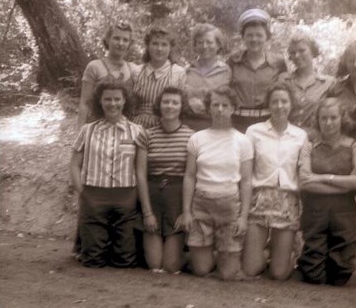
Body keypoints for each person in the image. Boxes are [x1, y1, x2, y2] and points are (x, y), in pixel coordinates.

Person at [70, 81, 152, 268]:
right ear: (100, 101)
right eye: (108, 99)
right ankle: (93, 246)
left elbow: (140, 172)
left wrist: (141, 203)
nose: (112, 103)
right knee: (92, 260)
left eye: (117, 99)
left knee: (125, 260)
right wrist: (83, 193)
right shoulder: (87, 130)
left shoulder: (138, 132)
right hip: (93, 195)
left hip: (125, 198)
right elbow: (74, 165)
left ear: (124, 101)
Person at [182, 86, 253, 280]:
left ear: (233, 108)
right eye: (215, 104)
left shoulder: (243, 140)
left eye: (225, 105)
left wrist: (243, 217)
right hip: (201, 203)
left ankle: (226, 254)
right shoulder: (197, 138)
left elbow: (246, 181)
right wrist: (187, 212)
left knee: (228, 274)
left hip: (229, 205)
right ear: (209, 108)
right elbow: (189, 176)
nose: (220, 109)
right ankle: (210, 252)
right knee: (201, 271)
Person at [298, 97, 356, 285]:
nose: (328, 123)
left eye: (333, 118)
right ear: (318, 120)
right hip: (315, 213)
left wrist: (321, 178)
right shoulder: (310, 146)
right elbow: (304, 183)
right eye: (324, 118)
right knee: (313, 276)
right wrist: (345, 185)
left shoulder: (354, 146)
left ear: (342, 118)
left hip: (344, 215)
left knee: (340, 275)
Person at [243, 84, 308, 280]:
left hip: (287, 201)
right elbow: (246, 172)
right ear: (268, 105)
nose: (280, 106)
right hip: (259, 199)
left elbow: (302, 172)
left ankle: (286, 253)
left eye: (284, 101)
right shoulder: (254, 131)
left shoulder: (300, 135)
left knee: (279, 274)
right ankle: (266, 252)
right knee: (250, 270)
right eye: (275, 101)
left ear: (291, 105)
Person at [143, 87, 194, 273]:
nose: (170, 106)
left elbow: (191, 176)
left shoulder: (191, 136)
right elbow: (141, 174)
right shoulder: (147, 134)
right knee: (155, 265)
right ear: (159, 105)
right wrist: (147, 212)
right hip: (153, 195)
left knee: (171, 266)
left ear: (182, 106)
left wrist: (186, 210)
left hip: (177, 197)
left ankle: (192, 256)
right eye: (166, 102)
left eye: (175, 102)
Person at [228, 8, 286, 132]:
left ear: (267, 37)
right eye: (249, 35)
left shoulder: (278, 63)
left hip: (267, 122)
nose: (254, 39)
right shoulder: (233, 61)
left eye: (259, 35)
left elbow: (284, 93)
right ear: (243, 37)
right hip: (237, 122)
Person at [77, 22, 139, 127]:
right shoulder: (94, 67)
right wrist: (80, 132)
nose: (120, 43)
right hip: (98, 127)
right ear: (107, 40)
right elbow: (85, 102)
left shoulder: (133, 69)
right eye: (116, 38)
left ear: (129, 43)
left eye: (125, 40)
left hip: (124, 128)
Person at [279, 30, 335, 137]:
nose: (297, 55)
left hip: (316, 141)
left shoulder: (328, 83)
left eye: (302, 50)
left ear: (313, 52)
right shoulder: (284, 80)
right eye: (293, 52)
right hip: (288, 140)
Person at [132, 22, 186, 128]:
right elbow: (130, 105)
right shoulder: (136, 71)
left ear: (170, 48)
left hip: (166, 126)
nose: (159, 49)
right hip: (137, 125)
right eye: (155, 43)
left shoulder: (178, 72)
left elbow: (181, 106)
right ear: (148, 46)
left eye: (164, 44)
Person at [183, 23, 231, 131]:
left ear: (218, 45)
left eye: (209, 42)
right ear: (195, 45)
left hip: (215, 125)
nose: (204, 46)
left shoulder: (226, 71)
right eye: (200, 42)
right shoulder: (187, 70)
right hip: (188, 124)